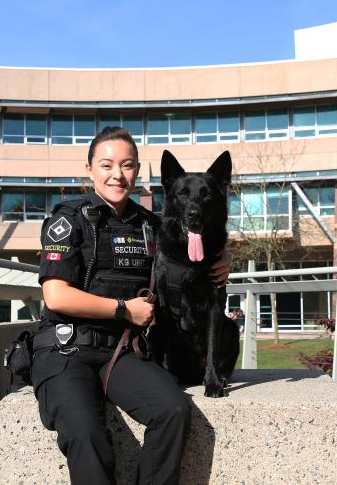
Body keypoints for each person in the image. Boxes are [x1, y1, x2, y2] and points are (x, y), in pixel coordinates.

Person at [30, 126, 230, 485]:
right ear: (90, 169)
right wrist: (123, 310)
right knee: (85, 432)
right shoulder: (68, 220)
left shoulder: (150, 225)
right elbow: (56, 295)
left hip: (119, 354)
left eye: (127, 165)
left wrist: (223, 258)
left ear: (137, 171)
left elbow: (193, 244)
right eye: (106, 165)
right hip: (66, 349)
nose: (116, 174)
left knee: (172, 410)